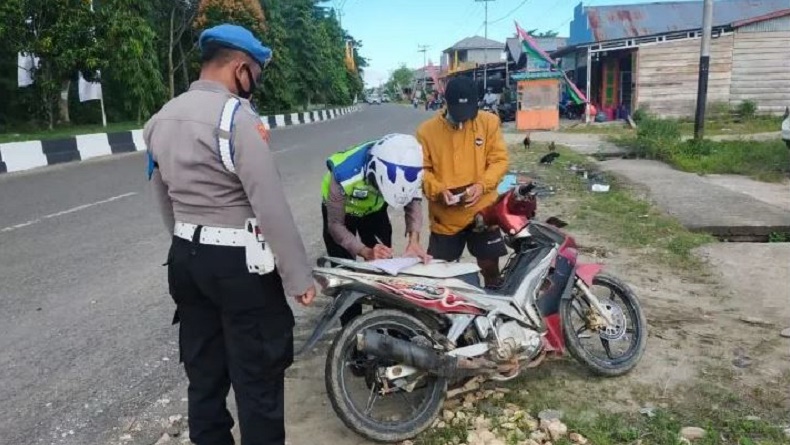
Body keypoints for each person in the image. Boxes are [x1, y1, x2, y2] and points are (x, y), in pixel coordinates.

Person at [143, 24, 314, 445]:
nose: (256, 81)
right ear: (240, 69)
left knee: (204, 378)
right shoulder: (235, 119)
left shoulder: (160, 119)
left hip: (185, 259)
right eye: (256, 72)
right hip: (240, 269)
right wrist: (298, 278)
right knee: (257, 381)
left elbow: (162, 195)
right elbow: (269, 205)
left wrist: (186, 241)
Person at [417, 76, 509, 287]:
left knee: (490, 269)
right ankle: (447, 317)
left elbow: (499, 161)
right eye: (458, 115)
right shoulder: (426, 132)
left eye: (468, 115)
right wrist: (439, 190)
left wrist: (481, 185)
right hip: (445, 216)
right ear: (445, 103)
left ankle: (492, 311)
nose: (463, 121)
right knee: (440, 276)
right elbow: (422, 171)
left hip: (483, 211)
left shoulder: (489, 123)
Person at [321, 133, 429, 263]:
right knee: (343, 262)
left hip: (374, 209)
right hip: (343, 210)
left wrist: (414, 241)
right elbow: (335, 226)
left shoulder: (410, 167)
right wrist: (365, 251)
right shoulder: (343, 174)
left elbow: (414, 203)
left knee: (384, 257)